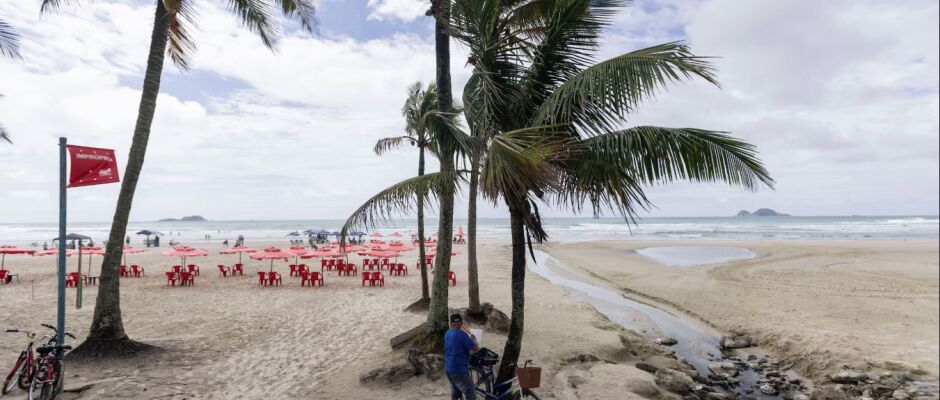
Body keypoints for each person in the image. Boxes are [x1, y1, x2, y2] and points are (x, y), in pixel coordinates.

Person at [444, 313, 479, 400]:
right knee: (470, 391)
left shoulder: (447, 333)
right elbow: (474, 348)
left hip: (448, 368)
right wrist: (474, 340)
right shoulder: (463, 334)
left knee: (456, 391)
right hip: (459, 370)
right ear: (462, 323)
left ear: (451, 324)